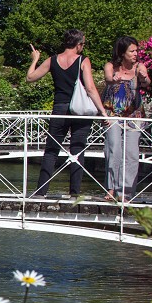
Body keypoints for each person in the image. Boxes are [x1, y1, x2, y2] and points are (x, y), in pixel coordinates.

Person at [27, 30, 109, 199]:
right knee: (77, 150)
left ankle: (41, 192)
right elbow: (91, 88)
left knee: (51, 151)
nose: (83, 47)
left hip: (59, 109)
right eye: (83, 44)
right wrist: (102, 112)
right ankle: (74, 193)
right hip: (79, 111)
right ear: (78, 44)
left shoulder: (52, 60)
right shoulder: (83, 60)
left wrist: (35, 60)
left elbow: (30, 77)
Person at [102, 35, 151, 202]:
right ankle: (111, 188)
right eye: (132, 51)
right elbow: (109, 78)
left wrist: (144, 77)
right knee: (113, 149)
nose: (136, 53)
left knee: (131, 153)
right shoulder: (111, 66)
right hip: (112, 113)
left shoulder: (139, 67)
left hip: (134, 114)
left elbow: (146, 81)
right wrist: (113, 78)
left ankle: (126, 191)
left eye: (137, 50)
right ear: (122, 52)